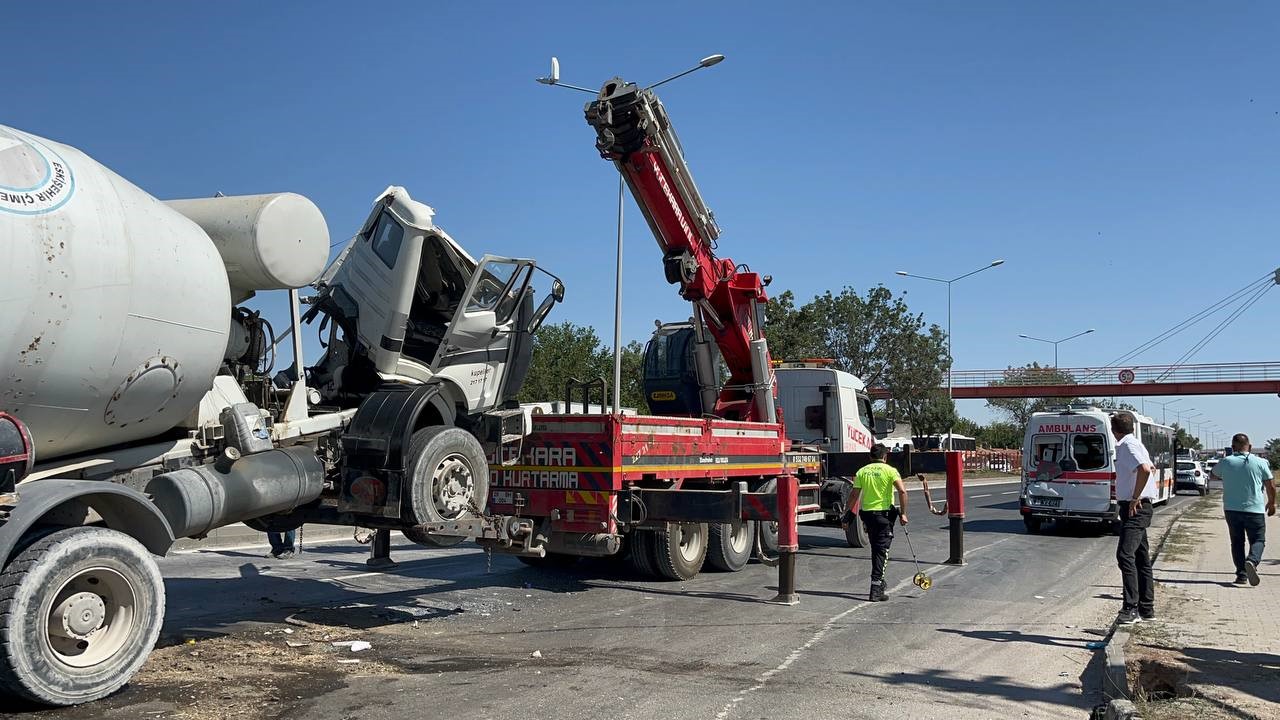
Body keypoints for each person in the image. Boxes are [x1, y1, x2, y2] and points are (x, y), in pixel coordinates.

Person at [1209, 433, 1276, 586]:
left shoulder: (1226, 461)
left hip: (1232, 509)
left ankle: (1241, 575)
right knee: (1258, 539)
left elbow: (1213, 475)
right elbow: (1270, 485)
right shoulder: (1261, 462)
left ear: (1232, 448)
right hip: (1255, 509)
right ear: (1250, 447)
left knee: (1237, 542)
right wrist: (1272, 503)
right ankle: (1252, 560)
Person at [847, 444, 909, 602]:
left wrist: (847, 515)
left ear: (870, 457)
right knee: (882, 552)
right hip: (884, 516)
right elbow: (902, 491)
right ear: (886, 456)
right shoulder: (890, 471)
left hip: (867, 516)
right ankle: (876, 588)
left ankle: (880, 581)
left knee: (876, 549)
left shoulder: (862, 471)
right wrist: (903, 513)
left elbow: (854, 495)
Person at [1111, 413, 1156, 625]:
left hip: (1135, 507)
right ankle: (1147, 608)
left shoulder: (1127, 446)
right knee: (1141, 557)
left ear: (1114, 430)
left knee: (1124, 555)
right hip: (1138, 506)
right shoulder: (1136, 444)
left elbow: (1145, 469)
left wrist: (1135, 496)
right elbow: (1150, 467)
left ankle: (1130, 608)